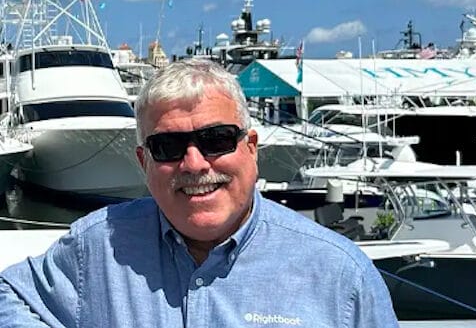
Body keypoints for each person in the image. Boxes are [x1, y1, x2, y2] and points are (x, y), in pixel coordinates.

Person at [0, 60, 399, 327]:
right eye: (168, 147)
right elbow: (10, 295)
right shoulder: (97, 246)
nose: (194, 164)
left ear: (251, 148)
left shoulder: (340, 274)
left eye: (216, 139)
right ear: (144, 162)